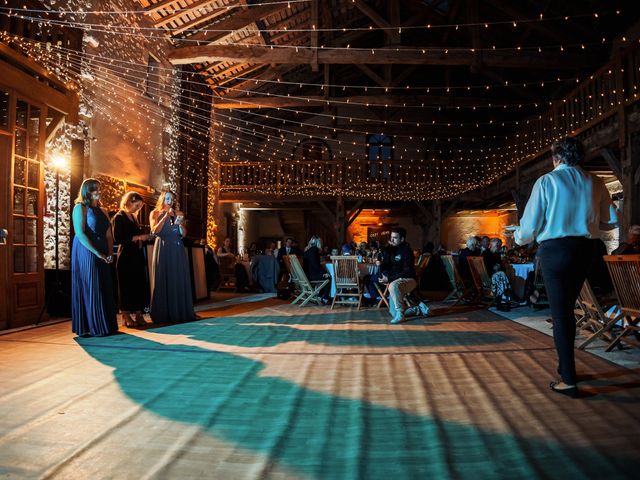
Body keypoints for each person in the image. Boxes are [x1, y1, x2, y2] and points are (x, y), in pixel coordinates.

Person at [513, 137, 617, 398]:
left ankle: (569, 380)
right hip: (586, 250)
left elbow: (528, 230)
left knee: (562, 315)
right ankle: (565, 368)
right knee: (569, 310)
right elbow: (610, 221)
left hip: (556, 251)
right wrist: (588, 221)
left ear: (557, 157)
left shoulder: (547, 181)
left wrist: (517, 237)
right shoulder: (596, 182)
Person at [71, 178, 118, 337]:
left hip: (104, 252)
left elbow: (109, 235)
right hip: (87, 250)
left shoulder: (103, 211)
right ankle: (92, 327)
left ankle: (106, 325)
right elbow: (80, 233)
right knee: (92, 285)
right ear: (87, 192)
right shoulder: (80, 208)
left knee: (104, 286)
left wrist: (110, 253)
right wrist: (98, 253)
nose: (98, 192)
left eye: (99, 188)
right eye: (94, 189)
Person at [149, 190, 196, 323]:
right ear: (162, 199)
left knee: (177, 276)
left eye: (172, 199)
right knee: (162, 277)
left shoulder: (179, 214)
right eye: (167, 198)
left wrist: (180, 224)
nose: (170, 201)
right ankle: (162, 313)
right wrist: (165, 217)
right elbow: (154, 231)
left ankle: (180, 311)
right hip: (163, 247)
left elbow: (184, 234)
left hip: (177, 247)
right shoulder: (155, 213)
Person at [112, 191, 151, 327]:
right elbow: (118, 238)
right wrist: (139, 237)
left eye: (139, 206)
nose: (138, 208)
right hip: (125, 256)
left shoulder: (134, 218)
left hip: (136, 255)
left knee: (138, 285)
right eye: (136, 205)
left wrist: (143, 238)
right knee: (126, 286)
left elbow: (137, 236)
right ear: (128, 202)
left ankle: (139, 314)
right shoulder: (119, 217)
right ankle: (126, 315)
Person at [379, 227, 430, 324]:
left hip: (409, 280)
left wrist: (389, 278)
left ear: (402, 239)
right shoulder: (390, 250)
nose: (392, 240)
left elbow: (407, 271)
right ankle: (418, 309)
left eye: (395, 238)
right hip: (395, 280)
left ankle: (401, 315)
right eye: (391, 237)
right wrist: (382, 261)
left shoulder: (406, 251)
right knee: (392, 313)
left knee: (393, 285)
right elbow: (385, 267)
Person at [303, 236, 330, 301]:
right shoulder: (314, 250)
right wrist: (323, 273)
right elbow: (315, 265)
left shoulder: (308, 250)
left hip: (308, 274)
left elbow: (314, 265)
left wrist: (323, 272)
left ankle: (320, 296)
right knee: (329, 278)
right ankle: (325, 298)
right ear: (318, 243)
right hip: (312, 275)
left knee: (326, 276)